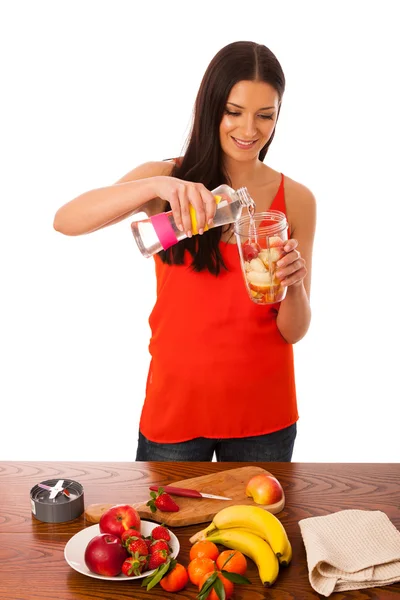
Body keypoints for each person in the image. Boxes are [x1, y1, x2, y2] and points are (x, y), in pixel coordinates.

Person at [54, 41, 316, 462]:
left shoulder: (297, 199)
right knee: (163, 529)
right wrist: (156, 186)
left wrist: (296, 285)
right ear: (210, 106)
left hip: (264, 415)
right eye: (234, 112)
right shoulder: (166, 179)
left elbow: (293, 331)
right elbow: (66, 220)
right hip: (175, 410)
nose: (249, 130)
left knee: (256, 529)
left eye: (265, 115)